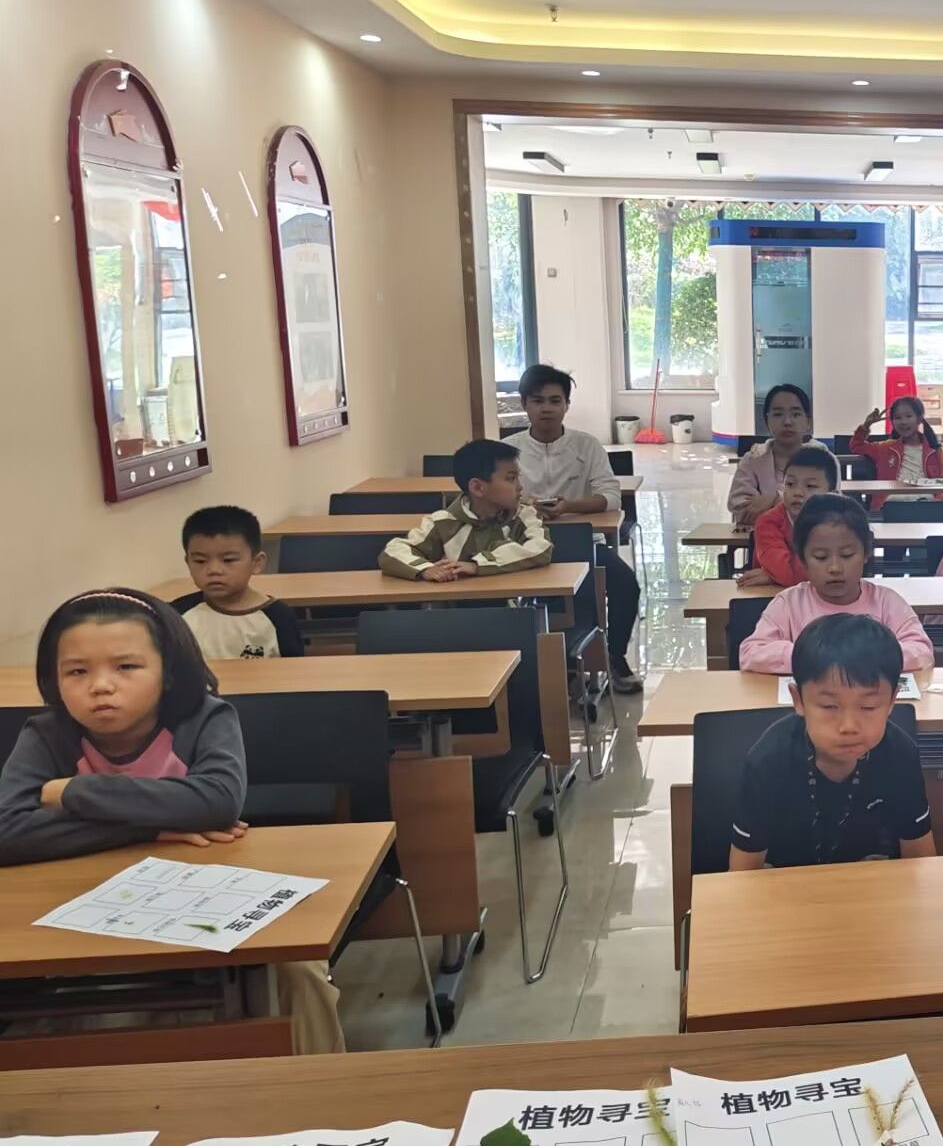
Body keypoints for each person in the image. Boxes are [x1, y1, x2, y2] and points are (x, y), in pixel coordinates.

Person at [0, 590, 342, 1052]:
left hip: (208, 890)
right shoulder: (47, 734)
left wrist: (74, 792)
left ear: (168, 672)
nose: (100, 686)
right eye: (77, 671)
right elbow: (7, 832)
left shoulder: (204, 718)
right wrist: (151, 826)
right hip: (81, 904)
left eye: (126, 667)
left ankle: (315, 1082)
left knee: (297, 970)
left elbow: (217, 802)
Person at [730, 614, 935, 870]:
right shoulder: (768, 762)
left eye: (868, 707)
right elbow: (742, 875)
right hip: (784, 888)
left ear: (893, 700)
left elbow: (921, 862)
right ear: (798, 700)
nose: (848, 726)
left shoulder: (900, 756)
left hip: (872, 888)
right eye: (829, 706)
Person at [506, 363, 640, 692]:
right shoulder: (508, 450)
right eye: (538, 401)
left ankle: (614, 657)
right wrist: (526, 507)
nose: (547, 408)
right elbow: (493, 501)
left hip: (582, 542)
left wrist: (569, 506)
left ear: (567, 405)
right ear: (524, 404)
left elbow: (611, 497)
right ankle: (524, 667)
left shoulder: (587, 445)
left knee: (625, 584)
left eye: (555, 400)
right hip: (522, 546)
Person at [739, 494, 935, 674]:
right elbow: (751, 653)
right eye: (821, 557)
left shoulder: (886, 602)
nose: (834, 568)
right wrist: (814, 657)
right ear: (802, 559)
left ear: (866, 552)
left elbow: (922, 651)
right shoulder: (789, 603)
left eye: (847, 555)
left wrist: (864, 657)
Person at [379, 439, 553, 580]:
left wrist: (478, 565)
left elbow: (541, 548)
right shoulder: (442, 522)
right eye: (511, 478)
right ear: (478, 488)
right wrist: (426, 569)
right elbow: (392, 551)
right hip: (455, 609)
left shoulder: (524, 516)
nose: (520, 487)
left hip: (512, 607)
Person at [172, 506, 304, 661]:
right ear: (188, 562)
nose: (214, 570)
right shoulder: (176, 615)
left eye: (228, 560)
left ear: (257, 563)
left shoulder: (279, 617)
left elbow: (294, 671)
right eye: (200, 561)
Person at [728, 384, 827, 529]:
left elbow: (829, 508)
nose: (787, 422)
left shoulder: (823, 458)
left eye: (795, 414)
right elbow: (741, 509)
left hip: (814, 539)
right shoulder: (752, 460)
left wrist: (775, 498)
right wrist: (797, 506)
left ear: (808, 421)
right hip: (762, 539)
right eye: (778, 414)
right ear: (766, 422)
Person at [741, 444, 840, 589]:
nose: (797, 492)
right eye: (790, 484)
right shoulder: (768, 522)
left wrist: (774, 576)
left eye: (810, 486)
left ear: (832, 495)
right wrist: (784, 575)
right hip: (771, 596)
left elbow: (849, 570)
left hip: (827, 595)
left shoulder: (842, 523)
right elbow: (784, 571)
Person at [852, 396, 943, 506]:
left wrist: (938, 505)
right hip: (890, 506)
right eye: (898, 418)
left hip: (926, 506)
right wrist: (866, 425)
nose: (903, 422)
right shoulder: (885, 448)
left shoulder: (936, 453)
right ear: (892, 422)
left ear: (919, 419)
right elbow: (857, 446)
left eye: (908, 416)